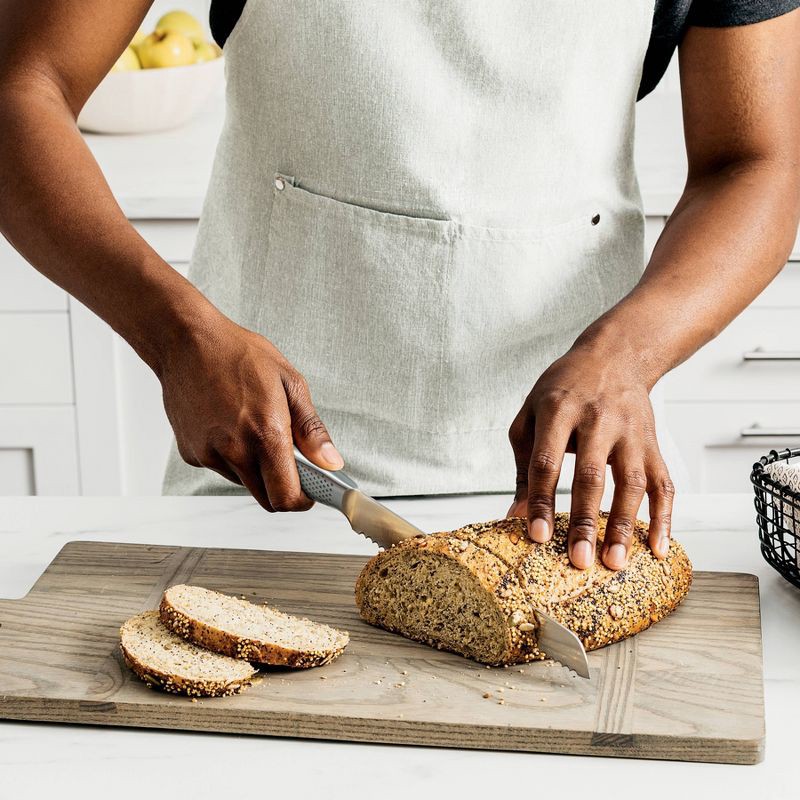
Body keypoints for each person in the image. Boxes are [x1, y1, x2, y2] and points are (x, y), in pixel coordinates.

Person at [1, 1, 799, 572]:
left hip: (575, 501)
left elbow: (755, 162)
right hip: (269, 477)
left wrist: (628, 355)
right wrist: (178, 336)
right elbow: (19, 91)